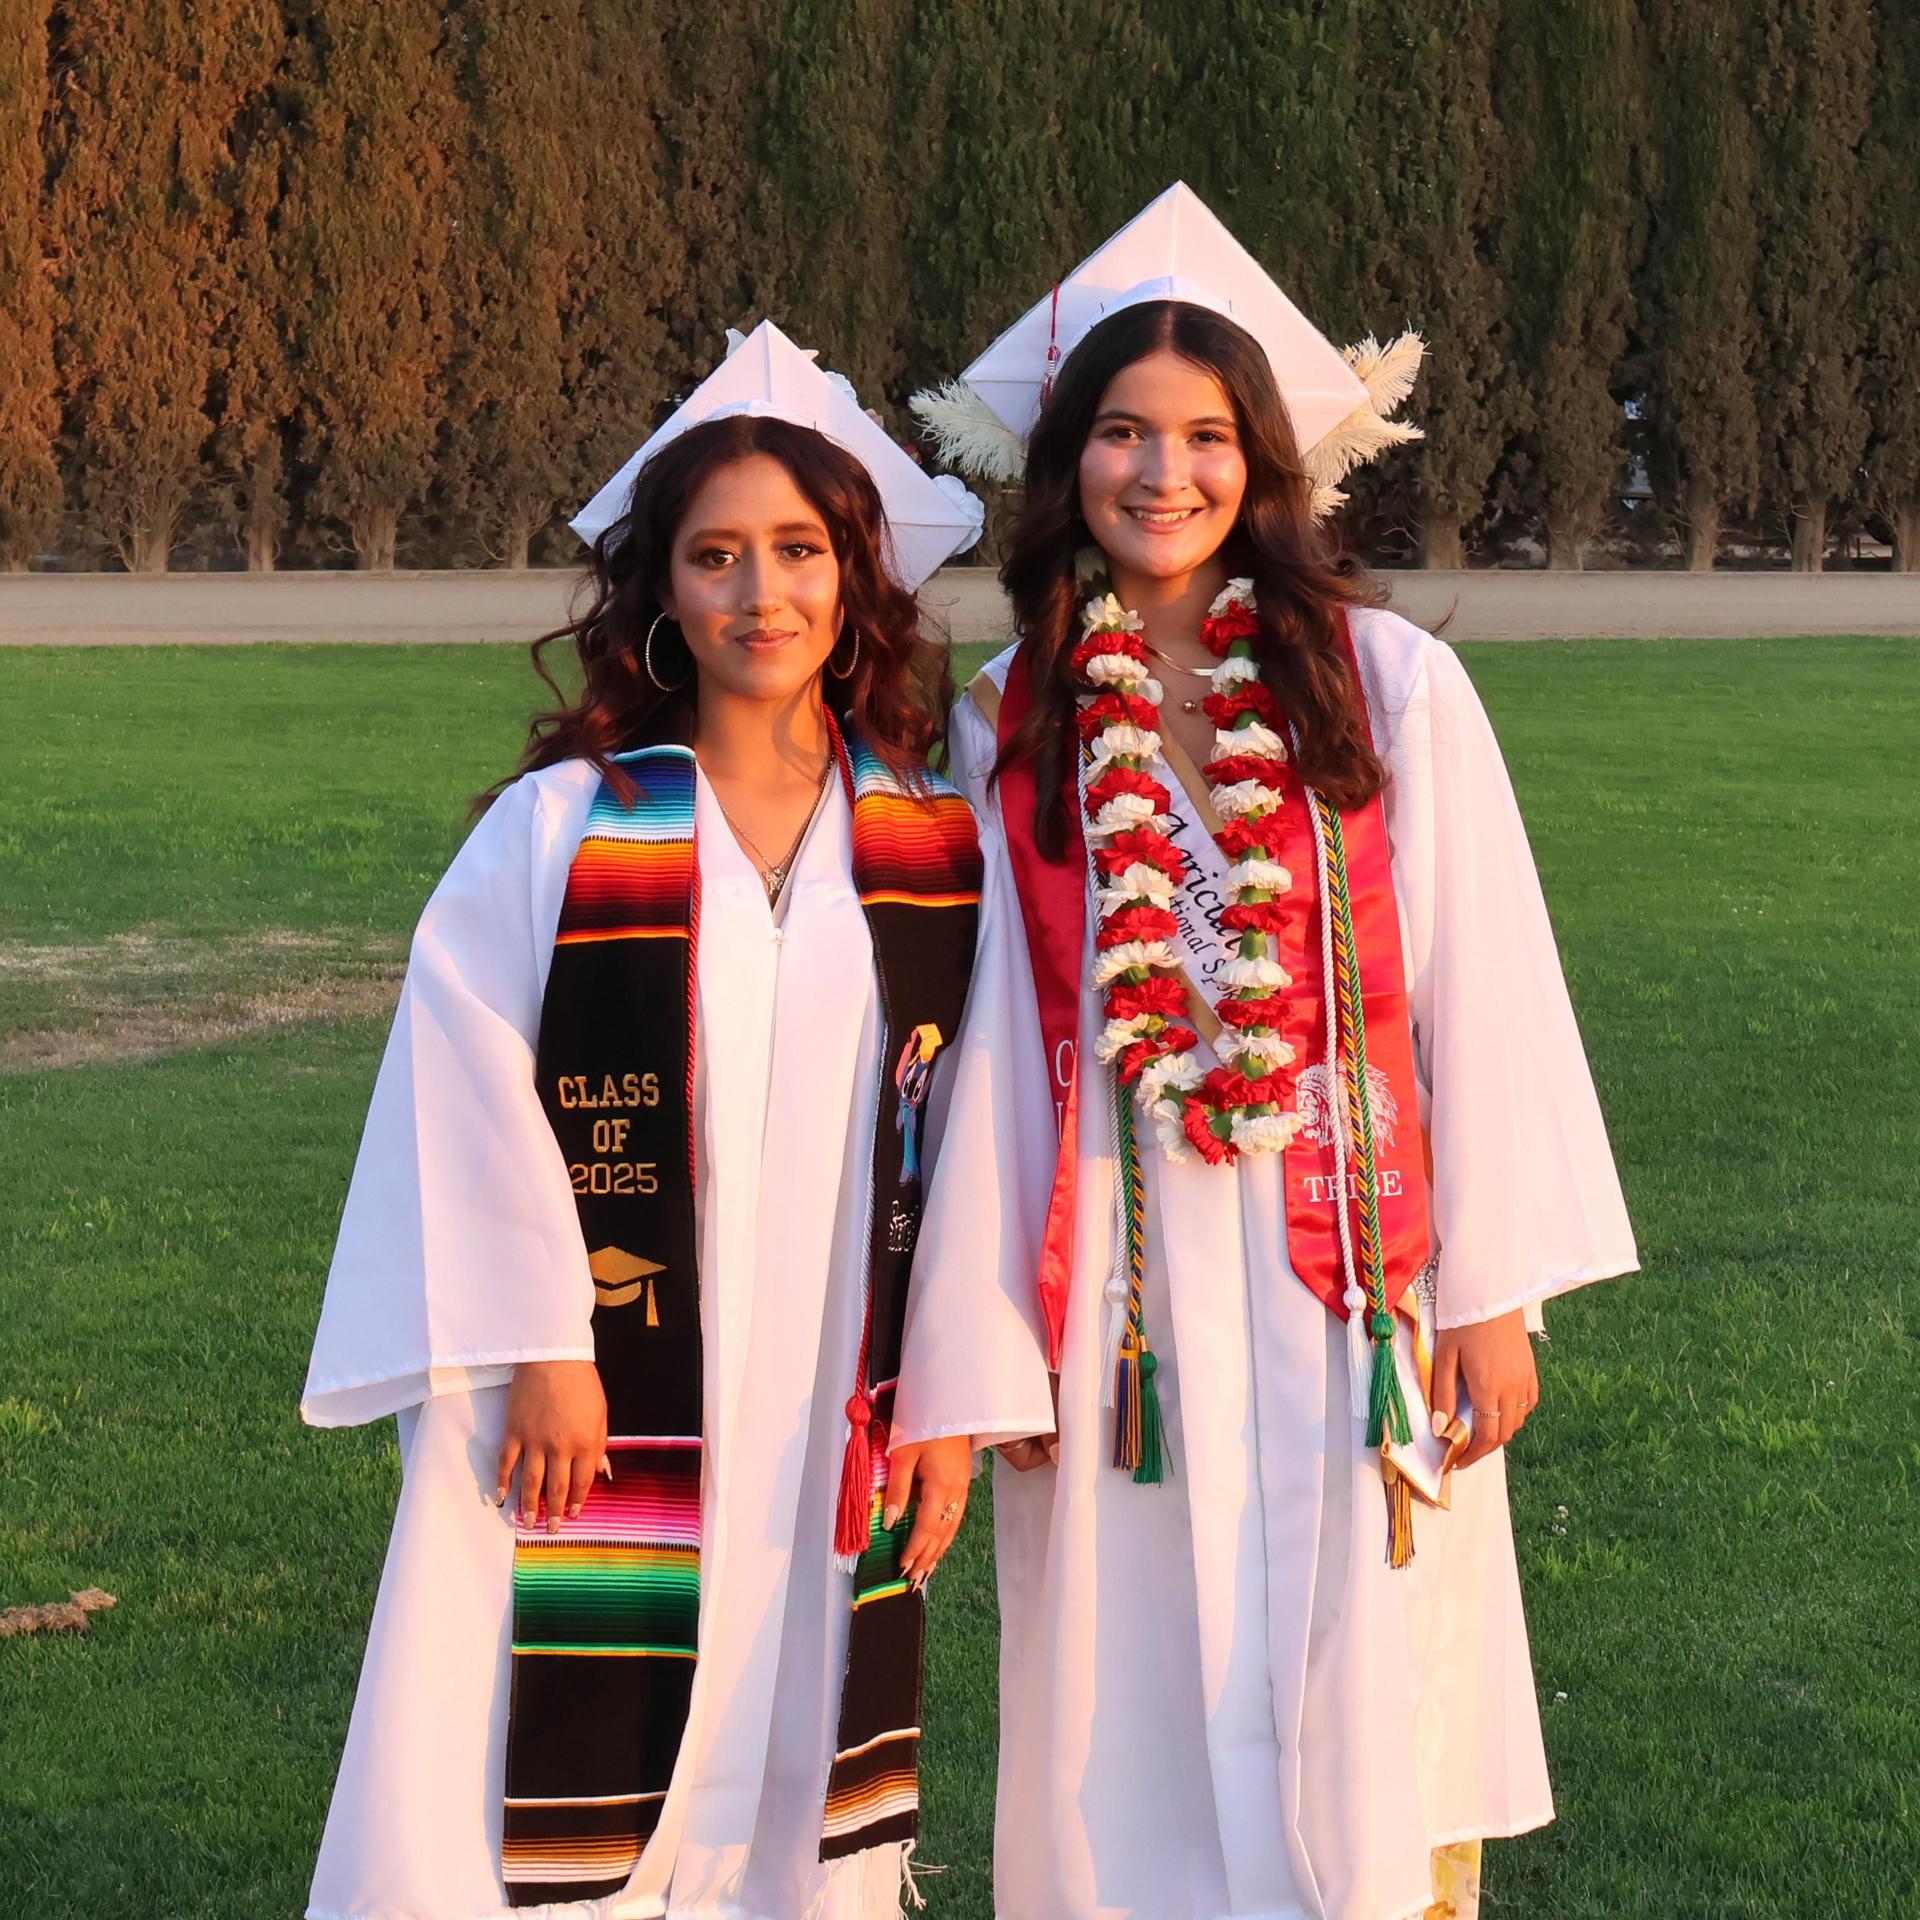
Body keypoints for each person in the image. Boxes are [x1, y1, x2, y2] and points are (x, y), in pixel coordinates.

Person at [892, 184, 1639, 1920]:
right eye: (1124, 433)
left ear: (1264, 462)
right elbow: (988, 1030)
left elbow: (1479, 978)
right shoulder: (1009, 721)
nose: (1164, 473)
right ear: (1067, 460)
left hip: (1349, 1263)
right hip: (1121, 1274)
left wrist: (1491, 1293)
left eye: (1207, 436)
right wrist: (992, 1340)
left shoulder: (1382, 682)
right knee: (1128, 1675)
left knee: (1361, 1645)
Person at [301, 321, 989, 1920]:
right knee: (516, 1731)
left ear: (855, 574)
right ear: (664, 593)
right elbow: (461, 1085)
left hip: (829, 1376)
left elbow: (970, 1136)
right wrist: (544, 1341)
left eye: (799, 550)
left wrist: (948, 1394)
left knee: (793, 1709)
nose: (763, 593)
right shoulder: (565, 830)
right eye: (716, 555)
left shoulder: (929, 846)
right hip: (593, 1394)